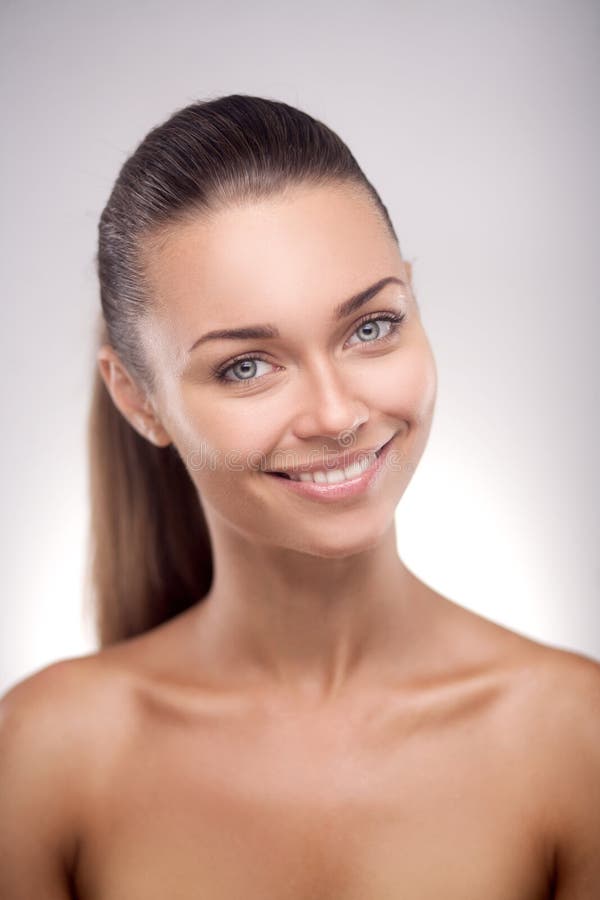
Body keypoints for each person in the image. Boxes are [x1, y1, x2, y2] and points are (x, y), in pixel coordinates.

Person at [1, 94, 599, 900]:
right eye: (246, 365)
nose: (337, 413)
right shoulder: (44, 757)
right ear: (139, 400)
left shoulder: (576, 740)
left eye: (371, 327)